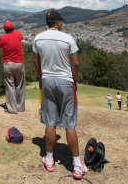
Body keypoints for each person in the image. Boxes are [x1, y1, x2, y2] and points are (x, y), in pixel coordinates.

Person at [34, 10, 87, 179]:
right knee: (69, 123)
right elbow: (76, 63)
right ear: (57, 22)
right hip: (65, 81)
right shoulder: (68, 38)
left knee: (50, 121)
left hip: (47, 80)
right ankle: (77, 165)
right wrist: (75, 80)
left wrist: (41, 78)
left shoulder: (38, 38)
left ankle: (49, 159)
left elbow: (36, 61)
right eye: (60, 21)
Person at [0, 20, 25, 114]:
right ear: (13, 27)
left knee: (10, 86)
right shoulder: (18, 34)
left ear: (4, 29)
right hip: (19, 63)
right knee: (20, 85)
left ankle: (12, 109)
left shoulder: (2, 37)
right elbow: (21, 38)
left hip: (8, 63)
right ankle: (20, 107)